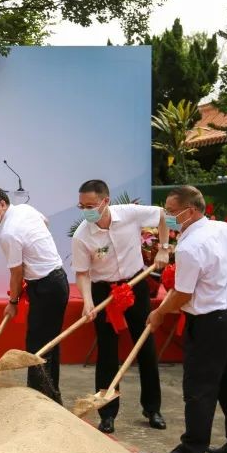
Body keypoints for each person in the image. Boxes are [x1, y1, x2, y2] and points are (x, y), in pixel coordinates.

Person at [148, 185, 227, 453]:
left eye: (172, 211)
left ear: (191, 211)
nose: (168, 216)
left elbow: (183, 294)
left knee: (199, 387)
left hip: (209, 323)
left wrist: (159, 312)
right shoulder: (223, 228)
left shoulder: (190, 247)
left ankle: (192, 450)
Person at [72, 179, 170, 434]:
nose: (86, 211)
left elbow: (164, 215)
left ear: (105, 201)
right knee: (107, 351)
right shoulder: (82, 235)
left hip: (134, 285)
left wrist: (164, 248)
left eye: (90, 206)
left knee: (145, 345)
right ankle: (107, 413)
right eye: (82, 206)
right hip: (104, 291)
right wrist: (88, 301)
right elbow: (82, 273)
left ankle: (152, 409)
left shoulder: (129, 214)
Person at [0, 185, 67, 403]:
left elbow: (16, 273)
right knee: (48, 342)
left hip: (46, 286)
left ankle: (41, 399)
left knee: (38, 346)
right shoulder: (26, 209)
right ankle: (49, 396)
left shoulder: (9, 233)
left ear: (2, 203)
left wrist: (13, 301)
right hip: (56, 280)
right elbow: (45, 222)